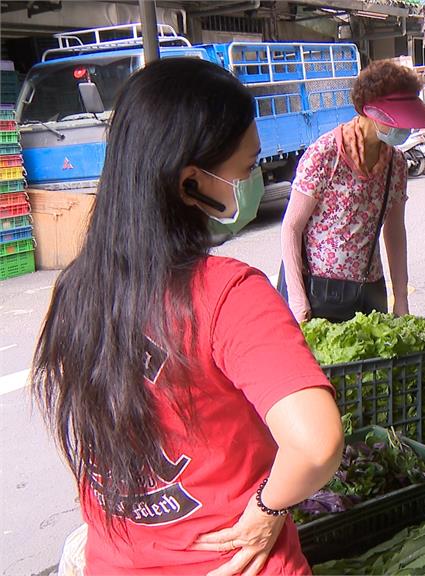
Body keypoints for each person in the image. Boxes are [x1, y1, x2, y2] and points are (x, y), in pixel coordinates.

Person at [32, 58, 345, 575]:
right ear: (189, 182)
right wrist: (268, 510)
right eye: (245, 170)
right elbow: (315, 445)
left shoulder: (77, 291)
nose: (251, 181)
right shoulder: (229, 294)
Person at [280, 60, 425, 323]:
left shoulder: (396, 163)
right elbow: (291, 228)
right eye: (398, 119)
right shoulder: (325, 153)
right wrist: (297, 300)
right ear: (370, 110)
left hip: (370, 290)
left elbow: (395, 231)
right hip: (319, 293)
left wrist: (400, 297)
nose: (405, 128)